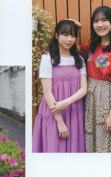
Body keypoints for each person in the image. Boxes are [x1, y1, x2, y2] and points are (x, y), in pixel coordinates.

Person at [79, 6, 111, 152]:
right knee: (93, 141)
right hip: (91, 101)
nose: (100, 25)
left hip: (107, 101)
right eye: (96, 21)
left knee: (109, 141)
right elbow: (71, 48)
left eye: (104, 20)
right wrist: (74, 27)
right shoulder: (92, 45)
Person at [32, 20, 87, 153]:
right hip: (54, 113)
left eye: (73, 35)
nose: (69, 39)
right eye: (65, 34)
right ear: (56, 35)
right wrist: (59, 121)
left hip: (74, 112)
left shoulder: (79, 59)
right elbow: (47, 92)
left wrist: (66, 103)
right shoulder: (47, 58)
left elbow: (84, 88)